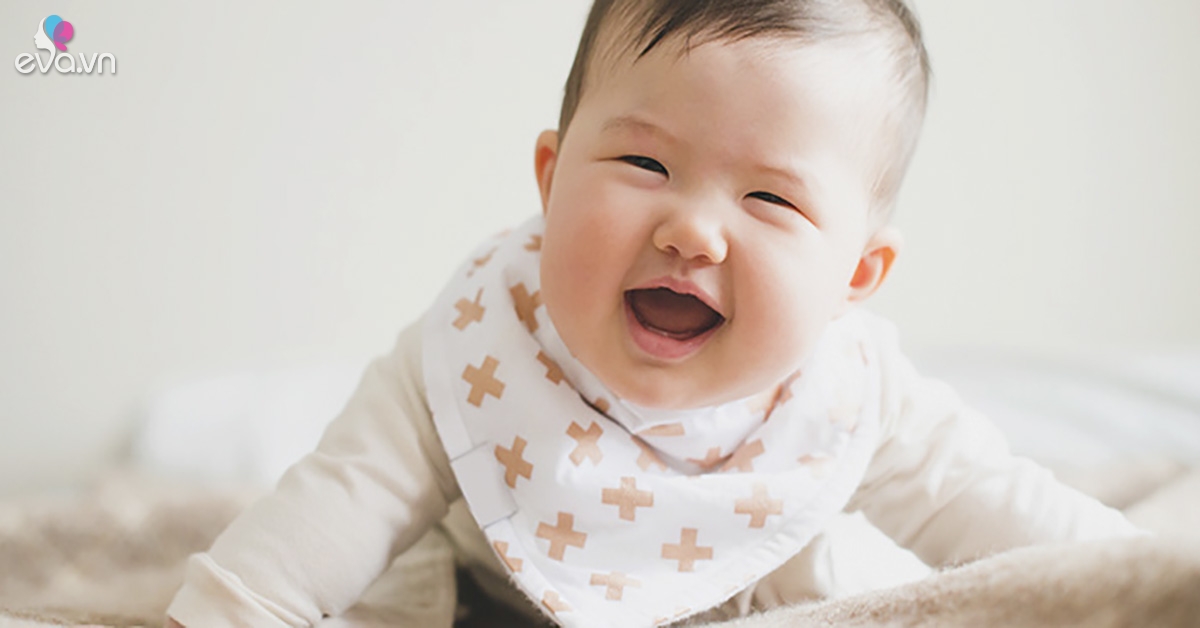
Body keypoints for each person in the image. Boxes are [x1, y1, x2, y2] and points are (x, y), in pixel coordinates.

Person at [165, 1, 1142, 626]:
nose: (694, 232)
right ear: (551, 179)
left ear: (856, 274)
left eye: (771, 199)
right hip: (499, 592)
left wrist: (1147, 581)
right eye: (644, 163)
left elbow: (1013, 517)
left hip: (751, 586)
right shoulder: (478, 347)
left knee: (834, 584)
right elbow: (330, 511)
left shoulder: (853, 397)